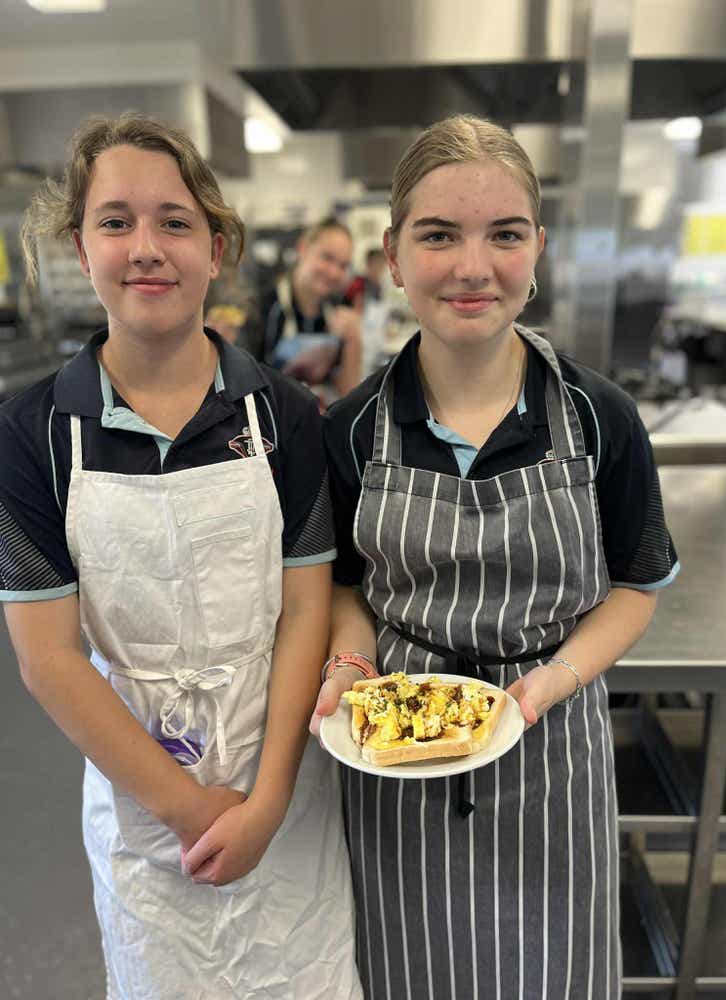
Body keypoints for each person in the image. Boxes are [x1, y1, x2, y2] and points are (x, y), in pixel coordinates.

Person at [311, 114, 680, 1000]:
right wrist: (350, 664)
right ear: (393, 256)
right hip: (400, 757)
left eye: (505, 235)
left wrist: (554, 680)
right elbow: (346, 588)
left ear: (538, 248)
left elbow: (635, 588)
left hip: (554, 751)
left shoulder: (598, 417)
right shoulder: (352, 428)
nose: (473, 267)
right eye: (439, 235)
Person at [1, 113, 362, 1000]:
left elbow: (305, 611)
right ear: (80, 249)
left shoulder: (285, 415)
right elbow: (49, 659)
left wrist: (266, 802)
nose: (145, 248)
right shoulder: (31, 432)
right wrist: (190, 808)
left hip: (283, 779)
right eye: (114, 221)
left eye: (174, 221)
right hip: (142, 799)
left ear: (215, 247)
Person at [258, 218, 363, 400]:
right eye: (327, 258)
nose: (334, 273)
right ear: (303, 249)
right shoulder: (265, 307)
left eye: (343, 266)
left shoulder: (338, 310)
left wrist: (353, 340)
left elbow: (349, 395)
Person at [344, 247, 387, 312]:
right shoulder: (358, 284)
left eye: (382, 266)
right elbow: (357, 310)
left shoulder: (377, 286)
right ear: (368, 264)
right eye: (376, 264)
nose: (379, 269)